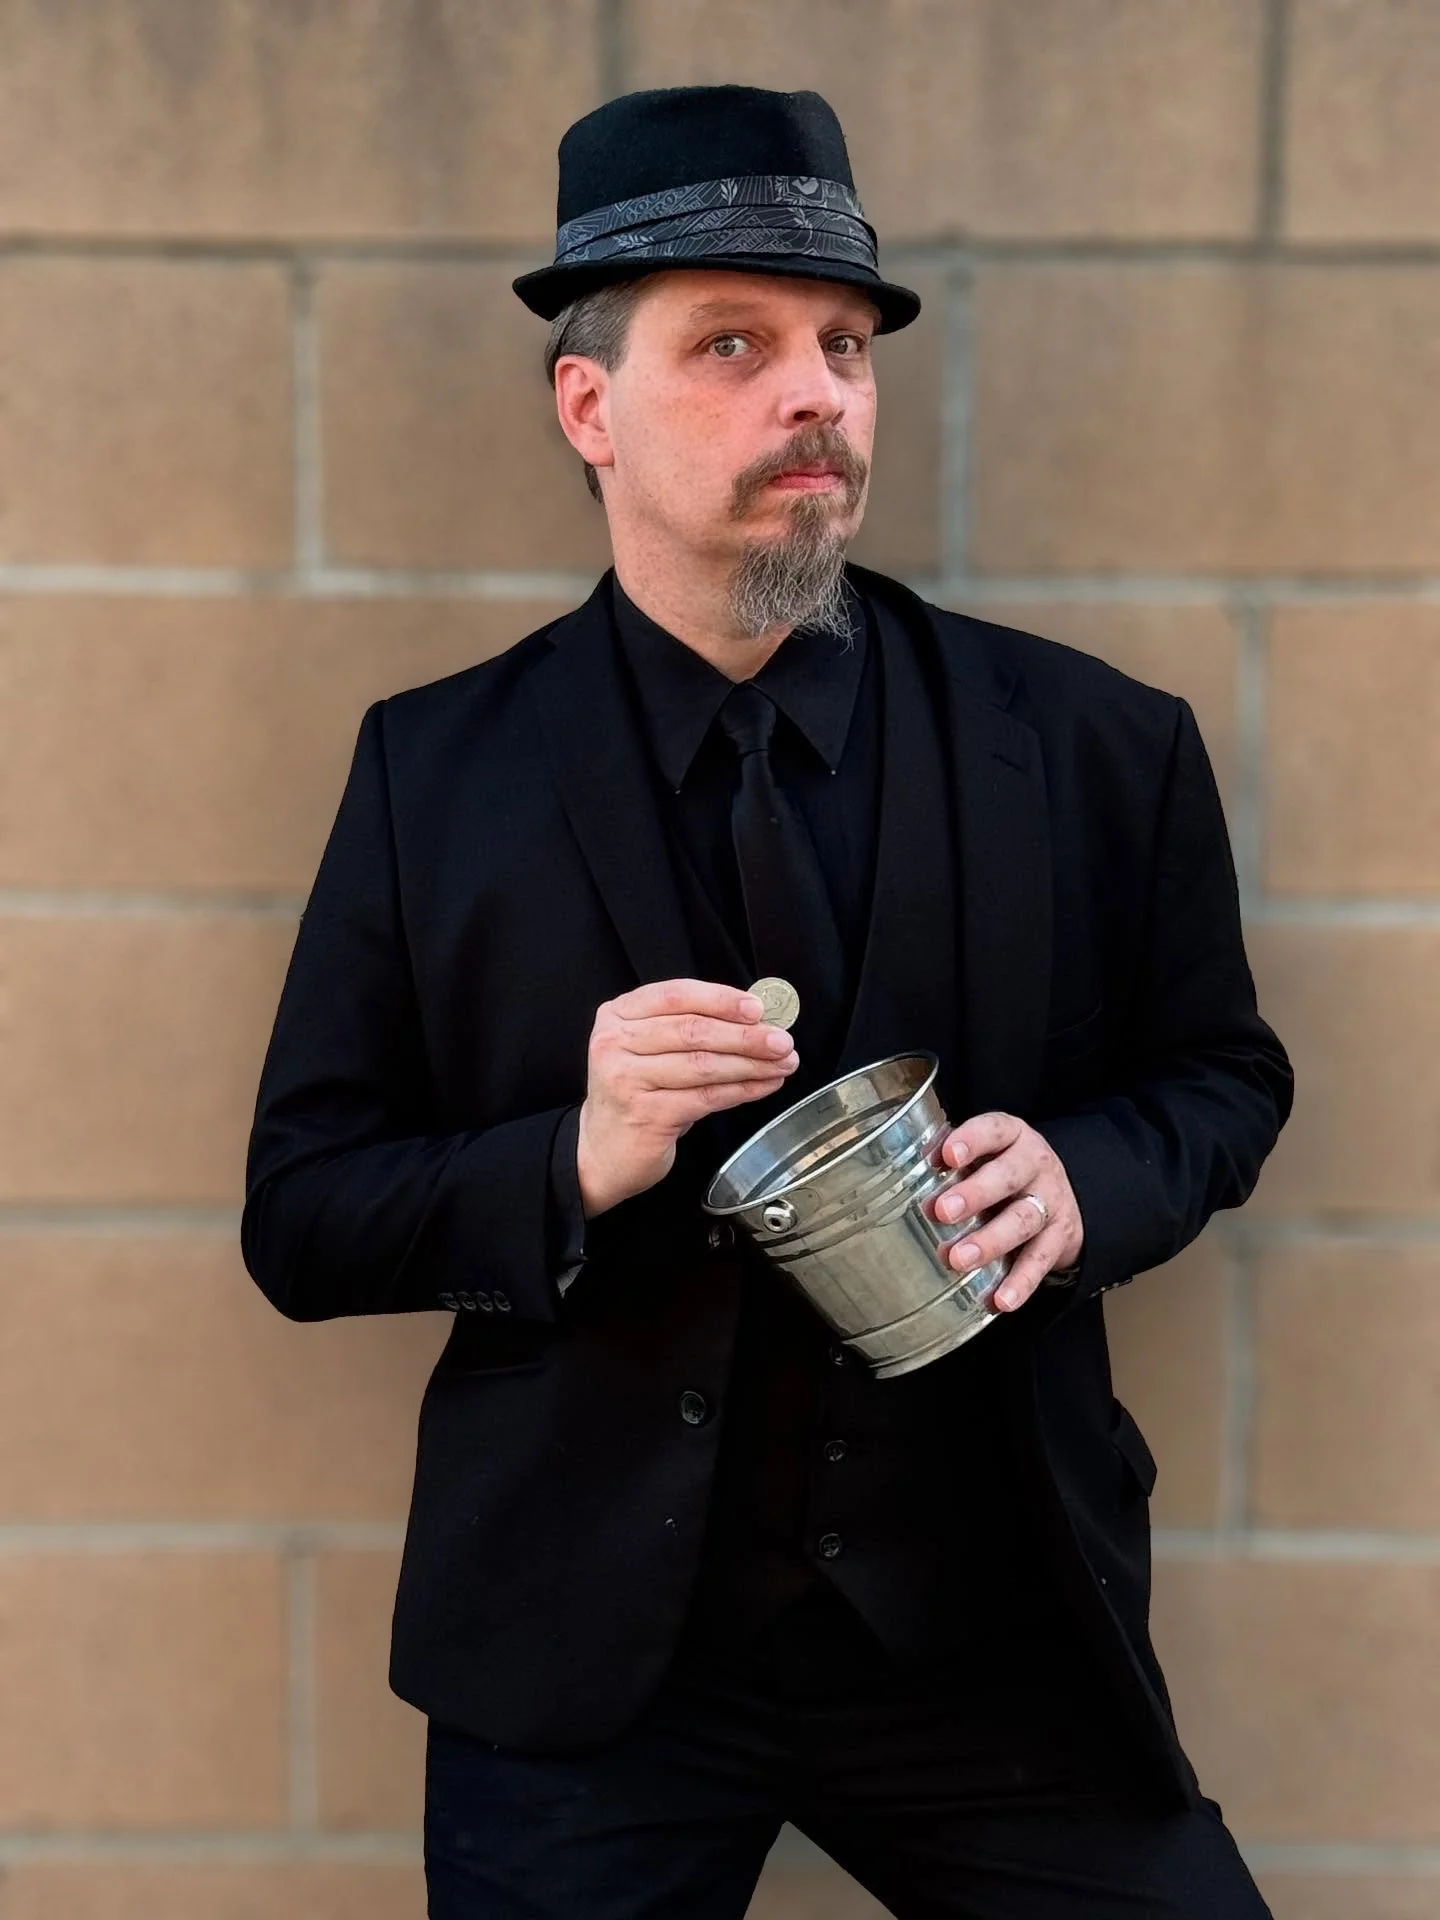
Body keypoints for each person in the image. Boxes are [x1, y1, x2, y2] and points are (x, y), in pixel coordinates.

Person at [242, 83, 1293, 1918]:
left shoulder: (1102, 748)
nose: (815, 393)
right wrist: (573, 1155)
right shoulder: (433, 772)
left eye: (839, 346)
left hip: (993, 1635)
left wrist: (1088, 1179)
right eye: (732, 345)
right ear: (590, 405)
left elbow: (1221, 1076)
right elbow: (305, 1211)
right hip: (584, 1668)